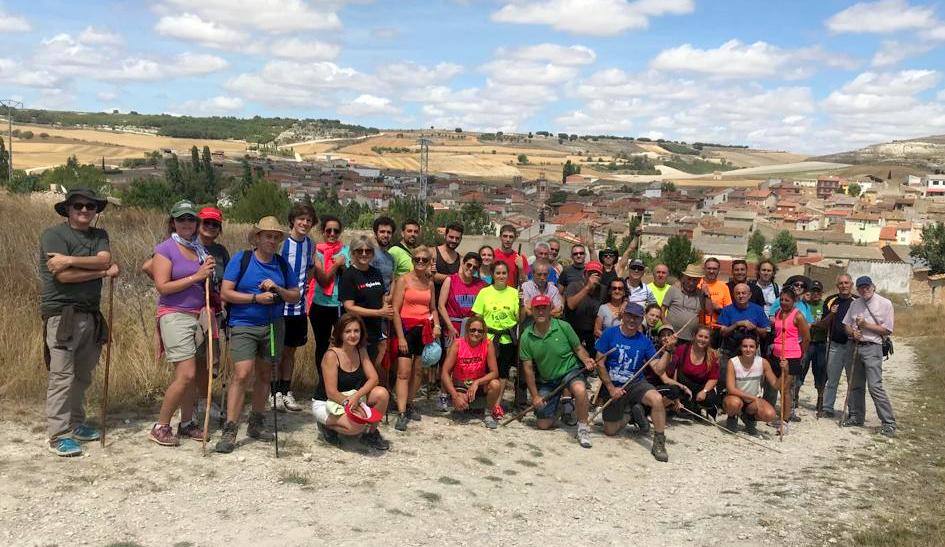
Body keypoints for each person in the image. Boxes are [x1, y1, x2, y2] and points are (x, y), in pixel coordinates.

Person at [40, 188, 119, 456]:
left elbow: (104, 258)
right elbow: (62, 276)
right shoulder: (54, 235)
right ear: (68, 209)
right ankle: (58, 434)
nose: (84, 210)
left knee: (83, 374)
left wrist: (72, 261)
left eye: (90, 206)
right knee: (62, 375)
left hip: (90, 313)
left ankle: (75, 422)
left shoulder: (100, 235)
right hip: (63, 314)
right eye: (78, 206)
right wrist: (101, 271)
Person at [216, 217, 301, 453]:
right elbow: (226, 293)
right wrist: (256, 298)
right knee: (242, 373)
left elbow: (295, 295)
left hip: (274, 325)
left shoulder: (282, 265)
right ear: (257, 238)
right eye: (268, 236)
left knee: (265, 374)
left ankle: (256, 422)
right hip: (243, 323)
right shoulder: (241, 259)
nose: (272, 241)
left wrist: (277, 289)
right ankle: (231, 428)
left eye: (276, 237)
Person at [148, 200, 218, 446]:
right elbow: (162, 286)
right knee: (186, 374)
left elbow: (203, 283)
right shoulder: (165, 249)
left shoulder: (199, 250)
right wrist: (197, 276)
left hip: (197, 316)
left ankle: (187, 424)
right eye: (181, 219)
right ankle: (161, 425)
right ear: (173, 222)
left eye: (190, 219)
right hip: (174, 314)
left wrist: (207, 274)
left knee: (193, 373)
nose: (186, 223)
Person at [595, 302, 671, 462]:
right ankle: (630, 415)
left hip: (636, 383)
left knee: (657, 399)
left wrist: (668, 352)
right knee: (609, 430)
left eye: (636, 317)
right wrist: (610, 388)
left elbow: (658, 369)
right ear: (623, 316)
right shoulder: (609, 334)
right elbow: (599, 362)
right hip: (613, 385)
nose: (632, 320)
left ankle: (659, 441)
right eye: (629, 316)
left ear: (641, 319)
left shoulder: (644, 341)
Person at [519, 295, 598, 448]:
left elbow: (578, 348)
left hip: (569, 370)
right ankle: (560, 408)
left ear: (550, 310)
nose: (541, 312)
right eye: (537, 308)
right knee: (542, 424)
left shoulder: (563, 326)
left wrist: (586, 360)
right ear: (532, 311)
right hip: (548, 379)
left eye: (544, 308)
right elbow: (528, 369)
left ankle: (582, 428)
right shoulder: (526, 336)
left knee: (580, 390)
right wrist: (535, 396)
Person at [312, 314, 390, 450]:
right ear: (340, 333)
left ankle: (371, 434)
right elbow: (331, 393)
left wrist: (356, 397)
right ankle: (327, 426)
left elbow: (374, 378)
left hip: (353, 396)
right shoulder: (331, 355)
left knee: (382, 393)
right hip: (327, 402)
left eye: (356, 331)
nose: (353, 335)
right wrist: (351, 403)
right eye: (348, 331)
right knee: (356, 426)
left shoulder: (361, 350)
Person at [391, 245, 440, 431]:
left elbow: (433, 308)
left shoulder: (429, 282)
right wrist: (401, 337)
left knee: (418, 372)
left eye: (424, 260)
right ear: (412, 260)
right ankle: (401, 412)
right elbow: (395, 309)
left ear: (429, 262)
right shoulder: (403, 280)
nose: (420, 262)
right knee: (403, 372)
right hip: (406, 329)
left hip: (424, 330)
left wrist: (436, 325)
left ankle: (410, 404)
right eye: (417, 259)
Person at [841, 276, 896, 436]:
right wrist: (853, 333)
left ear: (873, 286)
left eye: (867, 286)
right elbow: (846, 325)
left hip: (873, 347)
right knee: (855, 385)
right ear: (857, 289)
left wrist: (866, 326)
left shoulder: (885, 303)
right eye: (861, 287)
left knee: (875, 386)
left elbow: (887, 330)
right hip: (855, 346)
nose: (864, 289)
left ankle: (888, 422)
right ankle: (856, 417)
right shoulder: (855, 303)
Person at [275, 203, 316, 413]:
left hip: (299, 308)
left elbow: (309, 270)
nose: (305, 223)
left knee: (291, 352)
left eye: (309, 220)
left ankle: (286, 389)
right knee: (277, 351)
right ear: (293, 220)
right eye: (301, 219)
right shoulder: (282, 244)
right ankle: (274, 393)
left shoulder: (310, 244)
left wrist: (304, 288)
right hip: (279, 307)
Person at [471, 261, 521, 418]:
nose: (501, 276)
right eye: (498, 273)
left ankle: (496, 404)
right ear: (492, 274)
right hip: (488, 339)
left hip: (507, 339)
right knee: (485, 371)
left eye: (504, 273)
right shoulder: (484, 292)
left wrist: (523, 303)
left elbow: (520, 317)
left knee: (503, 373)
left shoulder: (514, 293)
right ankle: (483, 401)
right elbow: (477, 316)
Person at [308, 215, 350, 383]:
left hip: (340, 304)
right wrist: (336, 264)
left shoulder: (345, 250)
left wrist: (343, 265)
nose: (332, 234)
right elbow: (323, 280)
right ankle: (323, 382)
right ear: (322, 232)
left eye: (336, 231)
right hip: (320, 305)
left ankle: (341, 380)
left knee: (342, 344)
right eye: (328, 230)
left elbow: (348, 277)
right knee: (322, 345)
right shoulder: (316, 252)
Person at [440, 316, 502, 428]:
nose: (476, 333)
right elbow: (445, 372)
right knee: (460, 401)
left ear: (484, 332)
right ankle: (462, 408)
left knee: (496, 384)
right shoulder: (458, 344)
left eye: (480, 331)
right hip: (461, 384)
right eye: (473, 330)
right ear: (467, 330)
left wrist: (477, 382)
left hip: (478, 384)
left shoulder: (488, 344)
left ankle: (488, 413)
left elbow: (494, 372)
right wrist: (454, 395)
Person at [340, 235, 392, 364]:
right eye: (359, 251)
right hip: (356, 331)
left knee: (372, 364)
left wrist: (386, 307)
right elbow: (349, 307)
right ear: (353, 253)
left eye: (368, 251)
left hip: (375, 329)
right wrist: (379, 313)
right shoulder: (349, 275)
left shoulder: (376, 272)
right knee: (357, 366)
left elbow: (382, 295)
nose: (364, 254)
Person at [770, 287, 810, 425]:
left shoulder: (798, 315)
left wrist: (800, 356)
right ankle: (782, 414)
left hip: (791, 356)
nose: (783, 302)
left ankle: (785, 419)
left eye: (787, 300)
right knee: (780, 387)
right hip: (777, 354)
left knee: (784, 388)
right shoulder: (778, 313)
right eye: (781, 299)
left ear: (794, 301)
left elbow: (806, 338)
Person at [723, 336, 779, 435]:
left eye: (751, 346)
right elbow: (731, 389)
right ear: (740, 347)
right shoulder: (733, 362)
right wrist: (755, 398)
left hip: (752, 402)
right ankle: (732, 417)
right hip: (735, 397)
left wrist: (786, 371)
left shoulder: (763, 362)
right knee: (734, 403)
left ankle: (749, 419)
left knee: (770, 414)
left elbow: (775, 385)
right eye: (745, 346)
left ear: (756, 348)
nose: (748, 349)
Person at [717, 282, 770, 385]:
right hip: (729, 351)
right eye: (738, 293)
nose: (741, 296)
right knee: (725, 382)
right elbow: (722, 332)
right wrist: (736, 324)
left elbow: (765, 332)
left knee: (749, 383)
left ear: (749, 295)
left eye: (743, 293)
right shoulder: (727, 310)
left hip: (750, 352)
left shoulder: (757, 310)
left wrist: (754, 328)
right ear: (733, 295)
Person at [821, 274, 857, 418]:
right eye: (841, 283)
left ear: (851, 284)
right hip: (835, 345)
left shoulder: (857, 301)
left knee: (852, 381)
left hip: (851, 346)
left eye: (846, 283)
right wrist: (831, 313)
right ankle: (827, 407)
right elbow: (823, 323)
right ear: (837, 286)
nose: (844, 286)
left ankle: (853, 411)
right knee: (832, 379)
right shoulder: (830, 301)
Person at [671, 325, 721, 419]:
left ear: (709, 339)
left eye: (706, 337)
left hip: (700, 386)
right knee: (684, 412)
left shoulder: (712, 355)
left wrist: (704, 391)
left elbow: (713, 378)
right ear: (694, 336)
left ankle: (701, 407)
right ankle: (687, 407)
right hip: (683, 386)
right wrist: (676, 394)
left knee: (710, 398)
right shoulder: (682, 349)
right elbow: (675, 372)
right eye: (700, 336)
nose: (702, 339)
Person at [438, 251, 487, 341]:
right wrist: (450, 327)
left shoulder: (481, 285)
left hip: (472, 331)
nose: (471, 269)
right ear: (463, 264)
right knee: (451, 354)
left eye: (475, 267)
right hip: (452, 328)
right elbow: (441, 306)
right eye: (469, 265)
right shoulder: (450, 280)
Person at [795, 280, 826, 416]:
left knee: (820, 371)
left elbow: (827, 322)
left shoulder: (825, 306)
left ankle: (820, 399)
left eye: (818, 291)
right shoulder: (803, 305)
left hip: (820, 343)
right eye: (813, 291)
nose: (815, 294)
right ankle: (795, 397)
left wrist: (815, 324)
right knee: (801, 369)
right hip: (806, 343)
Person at [662, 263, 711, 343]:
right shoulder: (674, 289)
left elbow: (709, 312)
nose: (691, 282)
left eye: (695, 280)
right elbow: (663, 309)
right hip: (672, 336)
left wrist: (707, 294)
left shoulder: (701, 294)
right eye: (689, 279)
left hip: (691, 338)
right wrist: (666, 326)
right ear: (684, 278)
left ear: (699, 280)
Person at [564, 260, 604, 355]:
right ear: (584, 275)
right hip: (573, 331)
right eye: (590, 274)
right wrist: (587, 287)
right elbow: (571, 305)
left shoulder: (603, 289)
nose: (593, 277)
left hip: (591, 333)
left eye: (597, 274)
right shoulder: (574, 286)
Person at [699, 257, 732, 327]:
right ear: (704, 269)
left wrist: (717, 308)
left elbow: (729, 312)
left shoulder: (723, 287)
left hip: (716, 327)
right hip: (699, 327)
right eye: (709, 268)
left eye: (714, 269)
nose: (711, 271)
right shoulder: (697, 284)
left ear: (718, 270)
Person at [370, 216, 396, 293]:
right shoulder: (368, 254)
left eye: (389, 232)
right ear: (375, 234)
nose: (386, 235)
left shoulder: (390, 258)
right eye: (382, 232)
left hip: (386, 301)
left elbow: (391, 280)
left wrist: (390, 296)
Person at [433, 222, 463, 289]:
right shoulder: (433, 252)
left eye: (457, 238)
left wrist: (439, 276)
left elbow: (460, 279)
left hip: (452, 298)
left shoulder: (461, 259)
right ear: (445, 235)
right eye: (451, 237)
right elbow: (431, 276)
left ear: (461, 239)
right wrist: (454, 277)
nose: (454, 240)